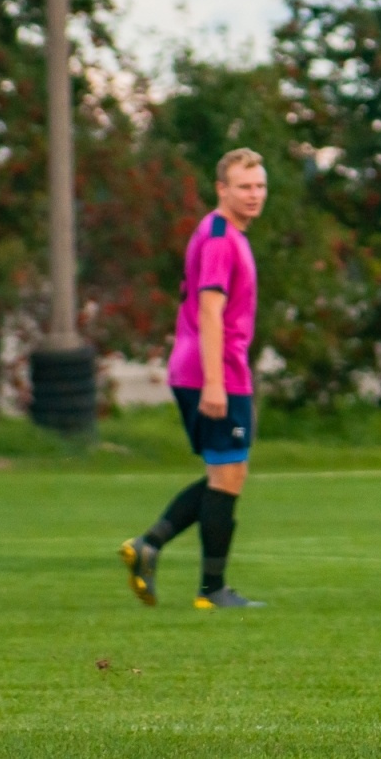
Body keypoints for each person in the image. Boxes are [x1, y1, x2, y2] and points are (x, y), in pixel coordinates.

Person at [120, 148, 268, 609]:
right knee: (226, 477)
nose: (254, 195)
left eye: (260, 186)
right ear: (221, 188)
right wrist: (214, 382)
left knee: (228, 474)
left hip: (216, 369)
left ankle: (149, 546)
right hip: (212, 371)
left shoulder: (222, 232)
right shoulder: (221, 237)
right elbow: (209, 309)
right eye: (244, 186)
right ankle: (211, 591)